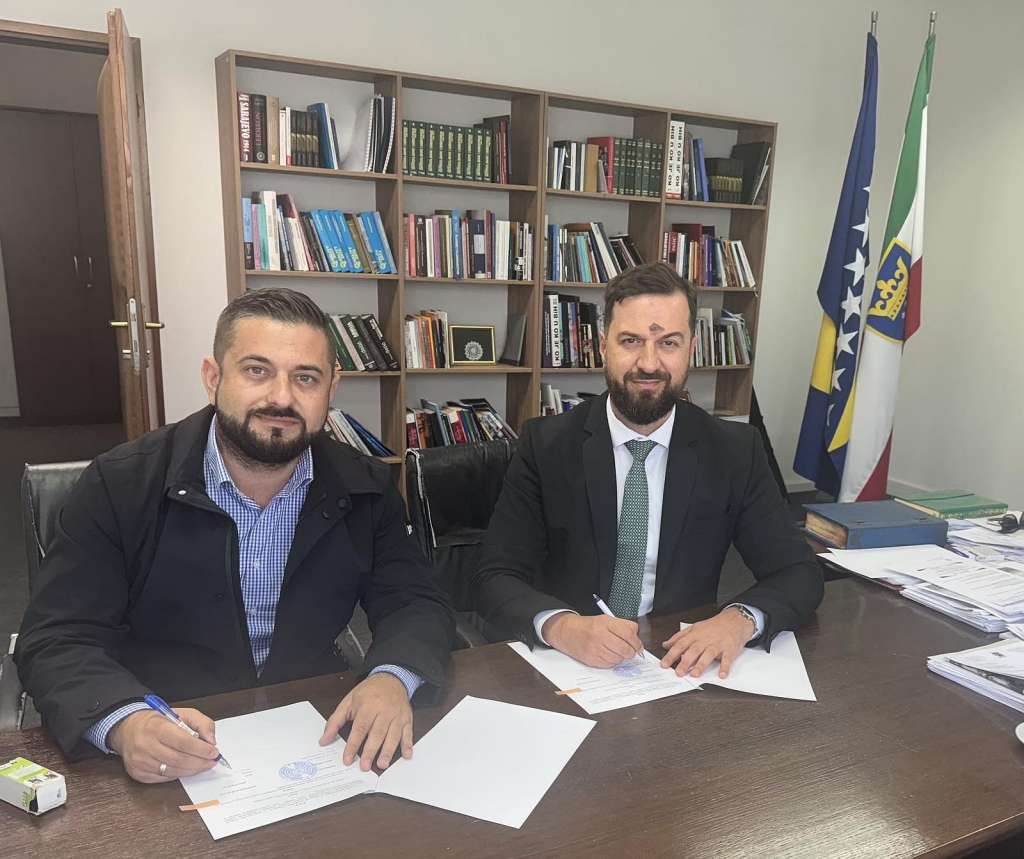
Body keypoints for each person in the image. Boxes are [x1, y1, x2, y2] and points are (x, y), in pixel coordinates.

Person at [16, 288, 454, 782]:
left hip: (312, 730)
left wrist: (392, 677)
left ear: (332, 388)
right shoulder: (119, 484)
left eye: (305, 378)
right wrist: (124, 721)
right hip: (169, 726)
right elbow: (56, 637)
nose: (281, 398)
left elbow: (415, 602)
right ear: (213, 378)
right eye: (256, 371)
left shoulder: (365, 486)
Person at [474, 262, 823, 677]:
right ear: (602, 346)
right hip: (570, 664)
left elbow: (798, 572)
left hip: (679, 663)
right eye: (631, 341)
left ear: (692, 348)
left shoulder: (734, 450)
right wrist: (562, 627)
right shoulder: (546, 444)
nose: (649, 363)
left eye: (668, 342)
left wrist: (738, 620)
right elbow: (494, 576)